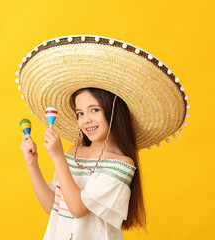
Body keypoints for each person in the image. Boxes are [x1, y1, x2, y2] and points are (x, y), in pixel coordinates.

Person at [17, 35, 189, 240]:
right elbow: (51, 206)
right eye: (80, 113)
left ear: (114, 112)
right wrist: (33, 163)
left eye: (94, 110)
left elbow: (78, 209)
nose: (86, 120)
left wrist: (57, 157)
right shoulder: (74, 153)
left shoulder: (122, 165)